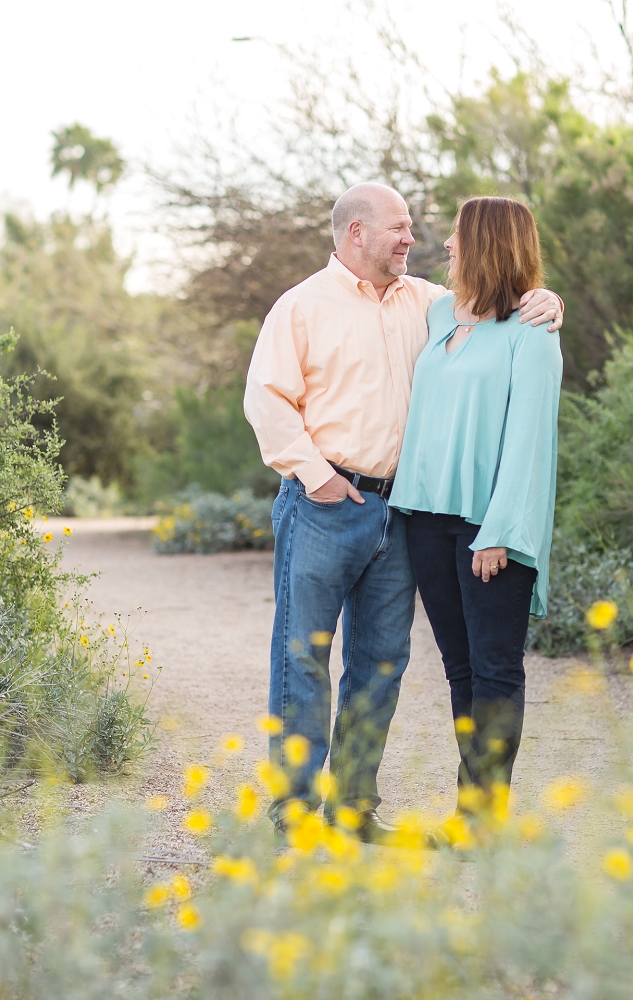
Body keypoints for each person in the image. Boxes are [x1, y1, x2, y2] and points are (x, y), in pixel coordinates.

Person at [243, 183, 563, 842]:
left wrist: (549, 298)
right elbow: (266, 399)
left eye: (418, 230)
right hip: (324, 505)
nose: (415, 240)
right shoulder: (302, 306)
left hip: (400, 516)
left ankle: (355, 808)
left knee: (381, 662)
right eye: (399, 228)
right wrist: (316, 476)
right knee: (302, 657)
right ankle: (296, 810)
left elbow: (504, 310)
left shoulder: (431, 305)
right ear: (356, 232)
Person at [389, 196, 562, 821]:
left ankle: (483, 821)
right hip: (426, 521)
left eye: (459, 236)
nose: (448, 247)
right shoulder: (439, 313)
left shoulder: (534, 332)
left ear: (487, 243)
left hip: (490, 530)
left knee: (494, 671)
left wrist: (499, 531)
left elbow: (530, 441)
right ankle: (472, 812)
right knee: (460, 669)